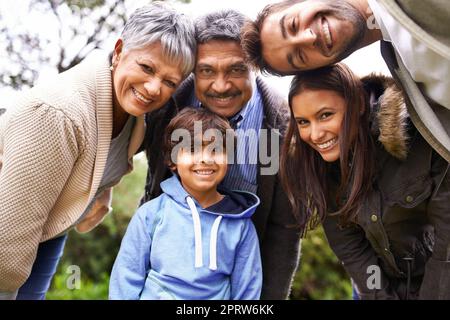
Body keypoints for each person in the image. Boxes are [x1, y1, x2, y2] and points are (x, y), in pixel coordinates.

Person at [0, 2, 196, 300]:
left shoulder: (134, 114)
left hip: (50, 230)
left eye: (170, 82)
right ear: (118, 51)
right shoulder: (59, 113)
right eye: (146, 67)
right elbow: (4, 256)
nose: (154, 87)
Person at [142, 9, 302, 300]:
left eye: (236, 69)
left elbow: (283, 232)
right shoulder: (165, 107)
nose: (221, 85)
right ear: (192, 69)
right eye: (206, 71)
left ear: (255, 65)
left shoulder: (285, 127)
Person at [280, 63, 450, 299]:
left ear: (358, 104)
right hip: (379, 285)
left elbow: (447, 240)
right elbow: (352, 249)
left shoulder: (419, 135)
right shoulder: (320, 165)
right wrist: (380, 295)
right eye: (303, 122)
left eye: (325, 115)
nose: (316, 134)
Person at [241, 0, 450, 164]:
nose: (308, 38)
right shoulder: (412, 85)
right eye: (300, 56)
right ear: (320, 69)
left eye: (293, 24)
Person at [110, 107, 262, 300]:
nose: (205, 159)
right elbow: (126, 277)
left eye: (215, 150)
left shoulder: (241, 224)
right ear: (173, 160)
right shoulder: (150, 214)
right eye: (192, 149)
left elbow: (247, 291)